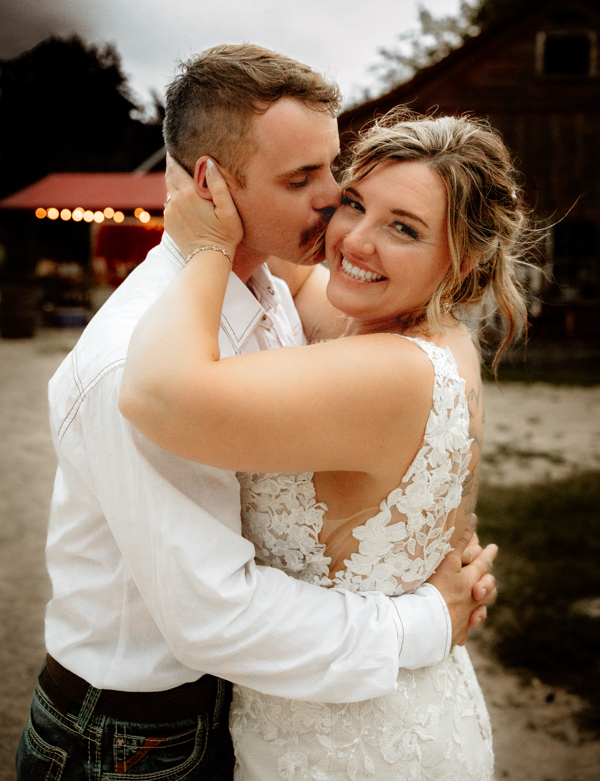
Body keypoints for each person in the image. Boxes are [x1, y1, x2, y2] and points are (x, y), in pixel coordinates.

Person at [17, 46, 496, 781]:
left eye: (334, 169)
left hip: (252, 708)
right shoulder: (132, 359)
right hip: (132, 734)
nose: (333, 199)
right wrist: (426, 619)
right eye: (302, 178)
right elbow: (214, 616)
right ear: (210, 182)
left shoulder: (273, 285)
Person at [119, 107, 526, 781]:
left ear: (464, 257)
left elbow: (156, 396)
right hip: (393, 704)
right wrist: (218, 159)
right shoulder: (431, 332)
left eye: (403, 228)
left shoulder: (388, 372)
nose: (354, 242)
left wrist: (207, 248)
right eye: (353, 204)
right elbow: (305, 269)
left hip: (351, 748)